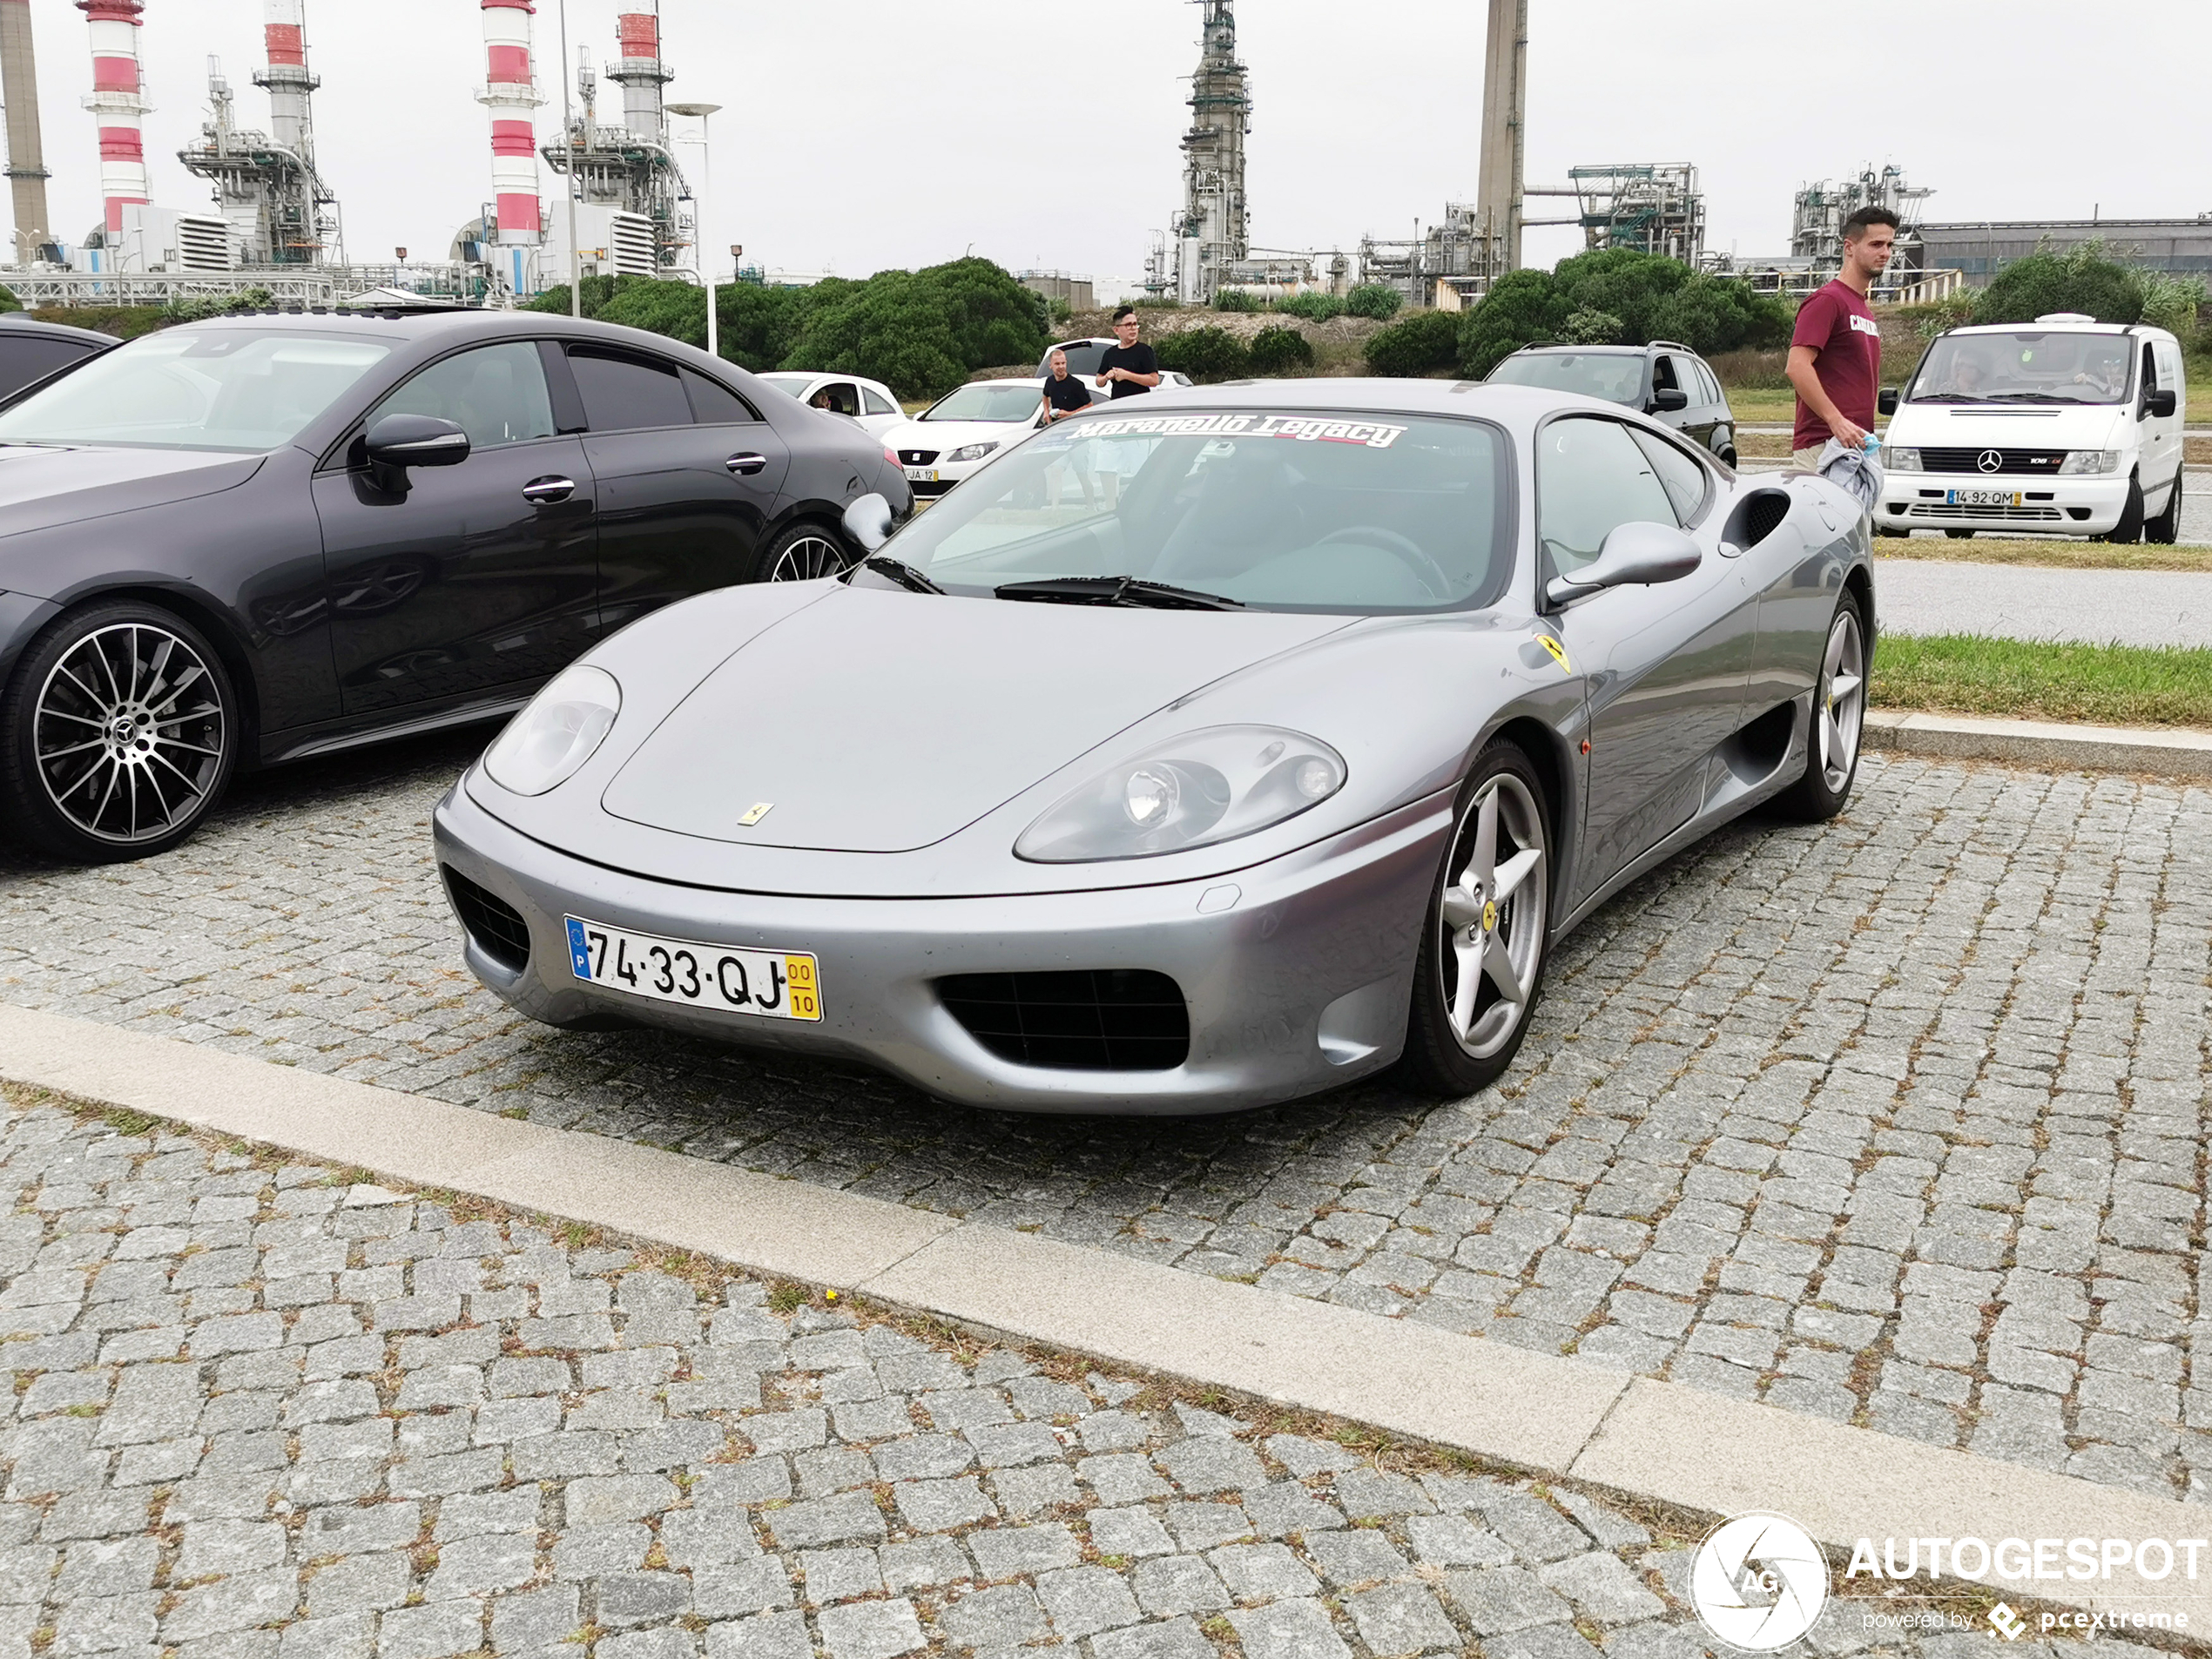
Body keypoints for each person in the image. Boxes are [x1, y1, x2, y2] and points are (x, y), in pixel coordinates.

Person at [1786, 206, 1897, 469]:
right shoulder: (1827, 300)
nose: (1885, 253)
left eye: (1890, 245)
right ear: (1849, 248)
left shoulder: (1862, 308)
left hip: (1856, 445)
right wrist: (1835, 420)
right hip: (1823, 445)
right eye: (1876, 244)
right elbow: (1797, 366)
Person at [1096, 306, 1162, 400]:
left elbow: (1154, 380)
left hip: (1139, 404)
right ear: (1116, 330)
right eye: (1128, 325)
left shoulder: (1144, 351)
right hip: (1117, 404)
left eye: (1135, 324)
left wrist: (1127, 375)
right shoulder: (1110, 353)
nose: (1133, 328)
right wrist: (1106, 377)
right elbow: (1099, 381)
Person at [1040, 349, 1090, 422]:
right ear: (1050, 365)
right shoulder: (1050, 381)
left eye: (1063, 363)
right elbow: (1045, 396)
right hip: (1056, 425)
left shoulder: (1076, 384)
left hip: (1074, 424)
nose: (1061, 367)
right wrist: (1046, 411)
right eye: (1057, 364)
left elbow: (1090, 406)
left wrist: (1069, 414)